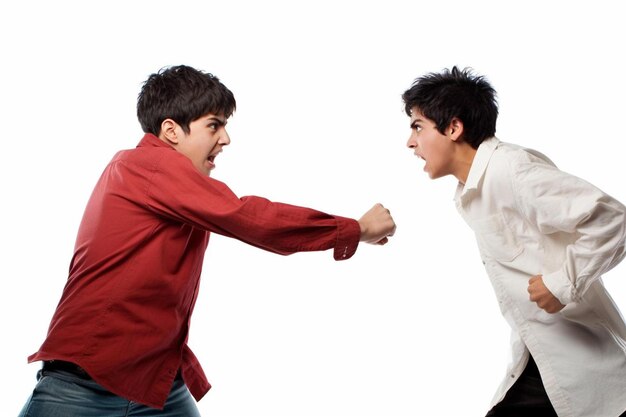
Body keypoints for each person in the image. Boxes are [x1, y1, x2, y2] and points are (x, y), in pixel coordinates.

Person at [18, 65, 396, 417]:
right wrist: (355, 229)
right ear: (170, 131)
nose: (226, 138)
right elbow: (247, 217)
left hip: (153, 384)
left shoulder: (168, 183)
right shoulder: (146, 166)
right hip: (84, 387)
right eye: (214, 126)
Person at [403, 67, 626, 417]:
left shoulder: (510, 169)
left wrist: (561, 283)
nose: (410, 142)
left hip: (585, 366)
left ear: (453, 128)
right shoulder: (473, 189)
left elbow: (612, 220)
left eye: (418, 126)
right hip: (542, 359)